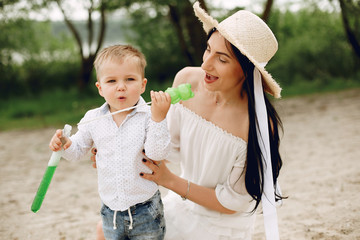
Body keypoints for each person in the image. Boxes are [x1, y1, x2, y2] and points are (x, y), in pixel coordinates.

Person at [93, 2, 285, 239]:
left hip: (220, 225)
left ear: (246, 70)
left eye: (222, 59)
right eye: (208, 49)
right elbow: (164, 150)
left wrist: (170, 180)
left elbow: (233, 203)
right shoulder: (188, 80)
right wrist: (115, 149)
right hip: (179, 207)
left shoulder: (258, 125)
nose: (206, 64)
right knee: (104, 231)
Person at [49, 44, 171, 240]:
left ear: (143, 85)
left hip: (145, 210)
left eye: (130, 79)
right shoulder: (93, 118)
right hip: (110, 212)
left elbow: (157, 153)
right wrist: (64, 143)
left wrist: (159, 119)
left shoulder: (150, 116)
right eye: (112, 80)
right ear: (100, 88)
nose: (121, 86)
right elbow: (77, 151)